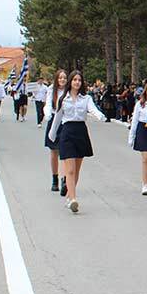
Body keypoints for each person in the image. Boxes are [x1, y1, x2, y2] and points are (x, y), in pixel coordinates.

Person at [47, 71, 106, 213]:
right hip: (67, 132)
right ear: (70, 82)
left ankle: (69, 196)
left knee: (77, 169)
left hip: (81, 132)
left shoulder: (86, 98)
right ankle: (73, 199)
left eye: (79, 80)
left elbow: (93, 110)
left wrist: (101, 116)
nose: (77, 82)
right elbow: (58, 117)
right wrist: (52, 134)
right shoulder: (63, 99)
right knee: (70, 169)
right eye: (74, 80)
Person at [44, 70, 68, 194]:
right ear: (56, 79)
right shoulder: (51, 90)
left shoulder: (69, 91)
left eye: (64, 78)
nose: (62, 80)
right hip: (53, 120)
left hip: (65, 121)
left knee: (65, 151)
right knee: (54, 151)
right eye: (60, 78)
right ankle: (55, 179)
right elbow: (48, 104)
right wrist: (47, 114)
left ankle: (65, 179)